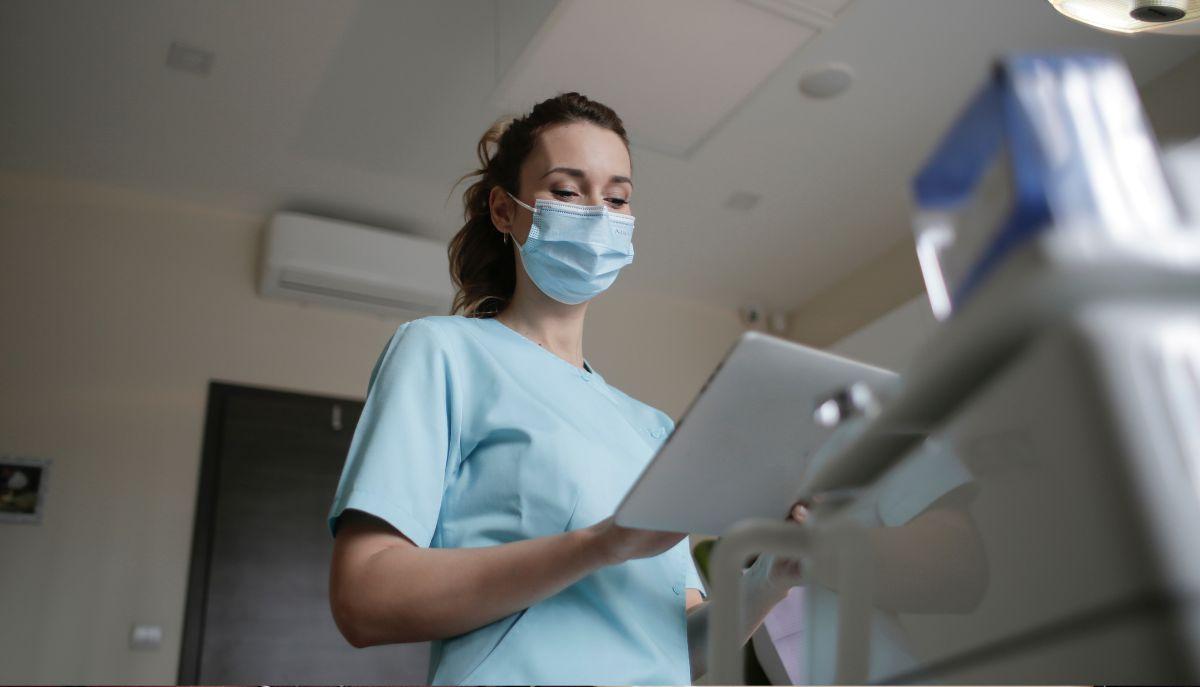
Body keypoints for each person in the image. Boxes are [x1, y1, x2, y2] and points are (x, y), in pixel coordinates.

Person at [325, 92, 804, 685]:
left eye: (618, 197)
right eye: (567, 191)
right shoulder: (442, 352)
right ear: (505, 210)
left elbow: (678, 649)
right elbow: (363, 598)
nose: (598, 215)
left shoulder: (651, 428)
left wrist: (773, 578)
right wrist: (603, 544)